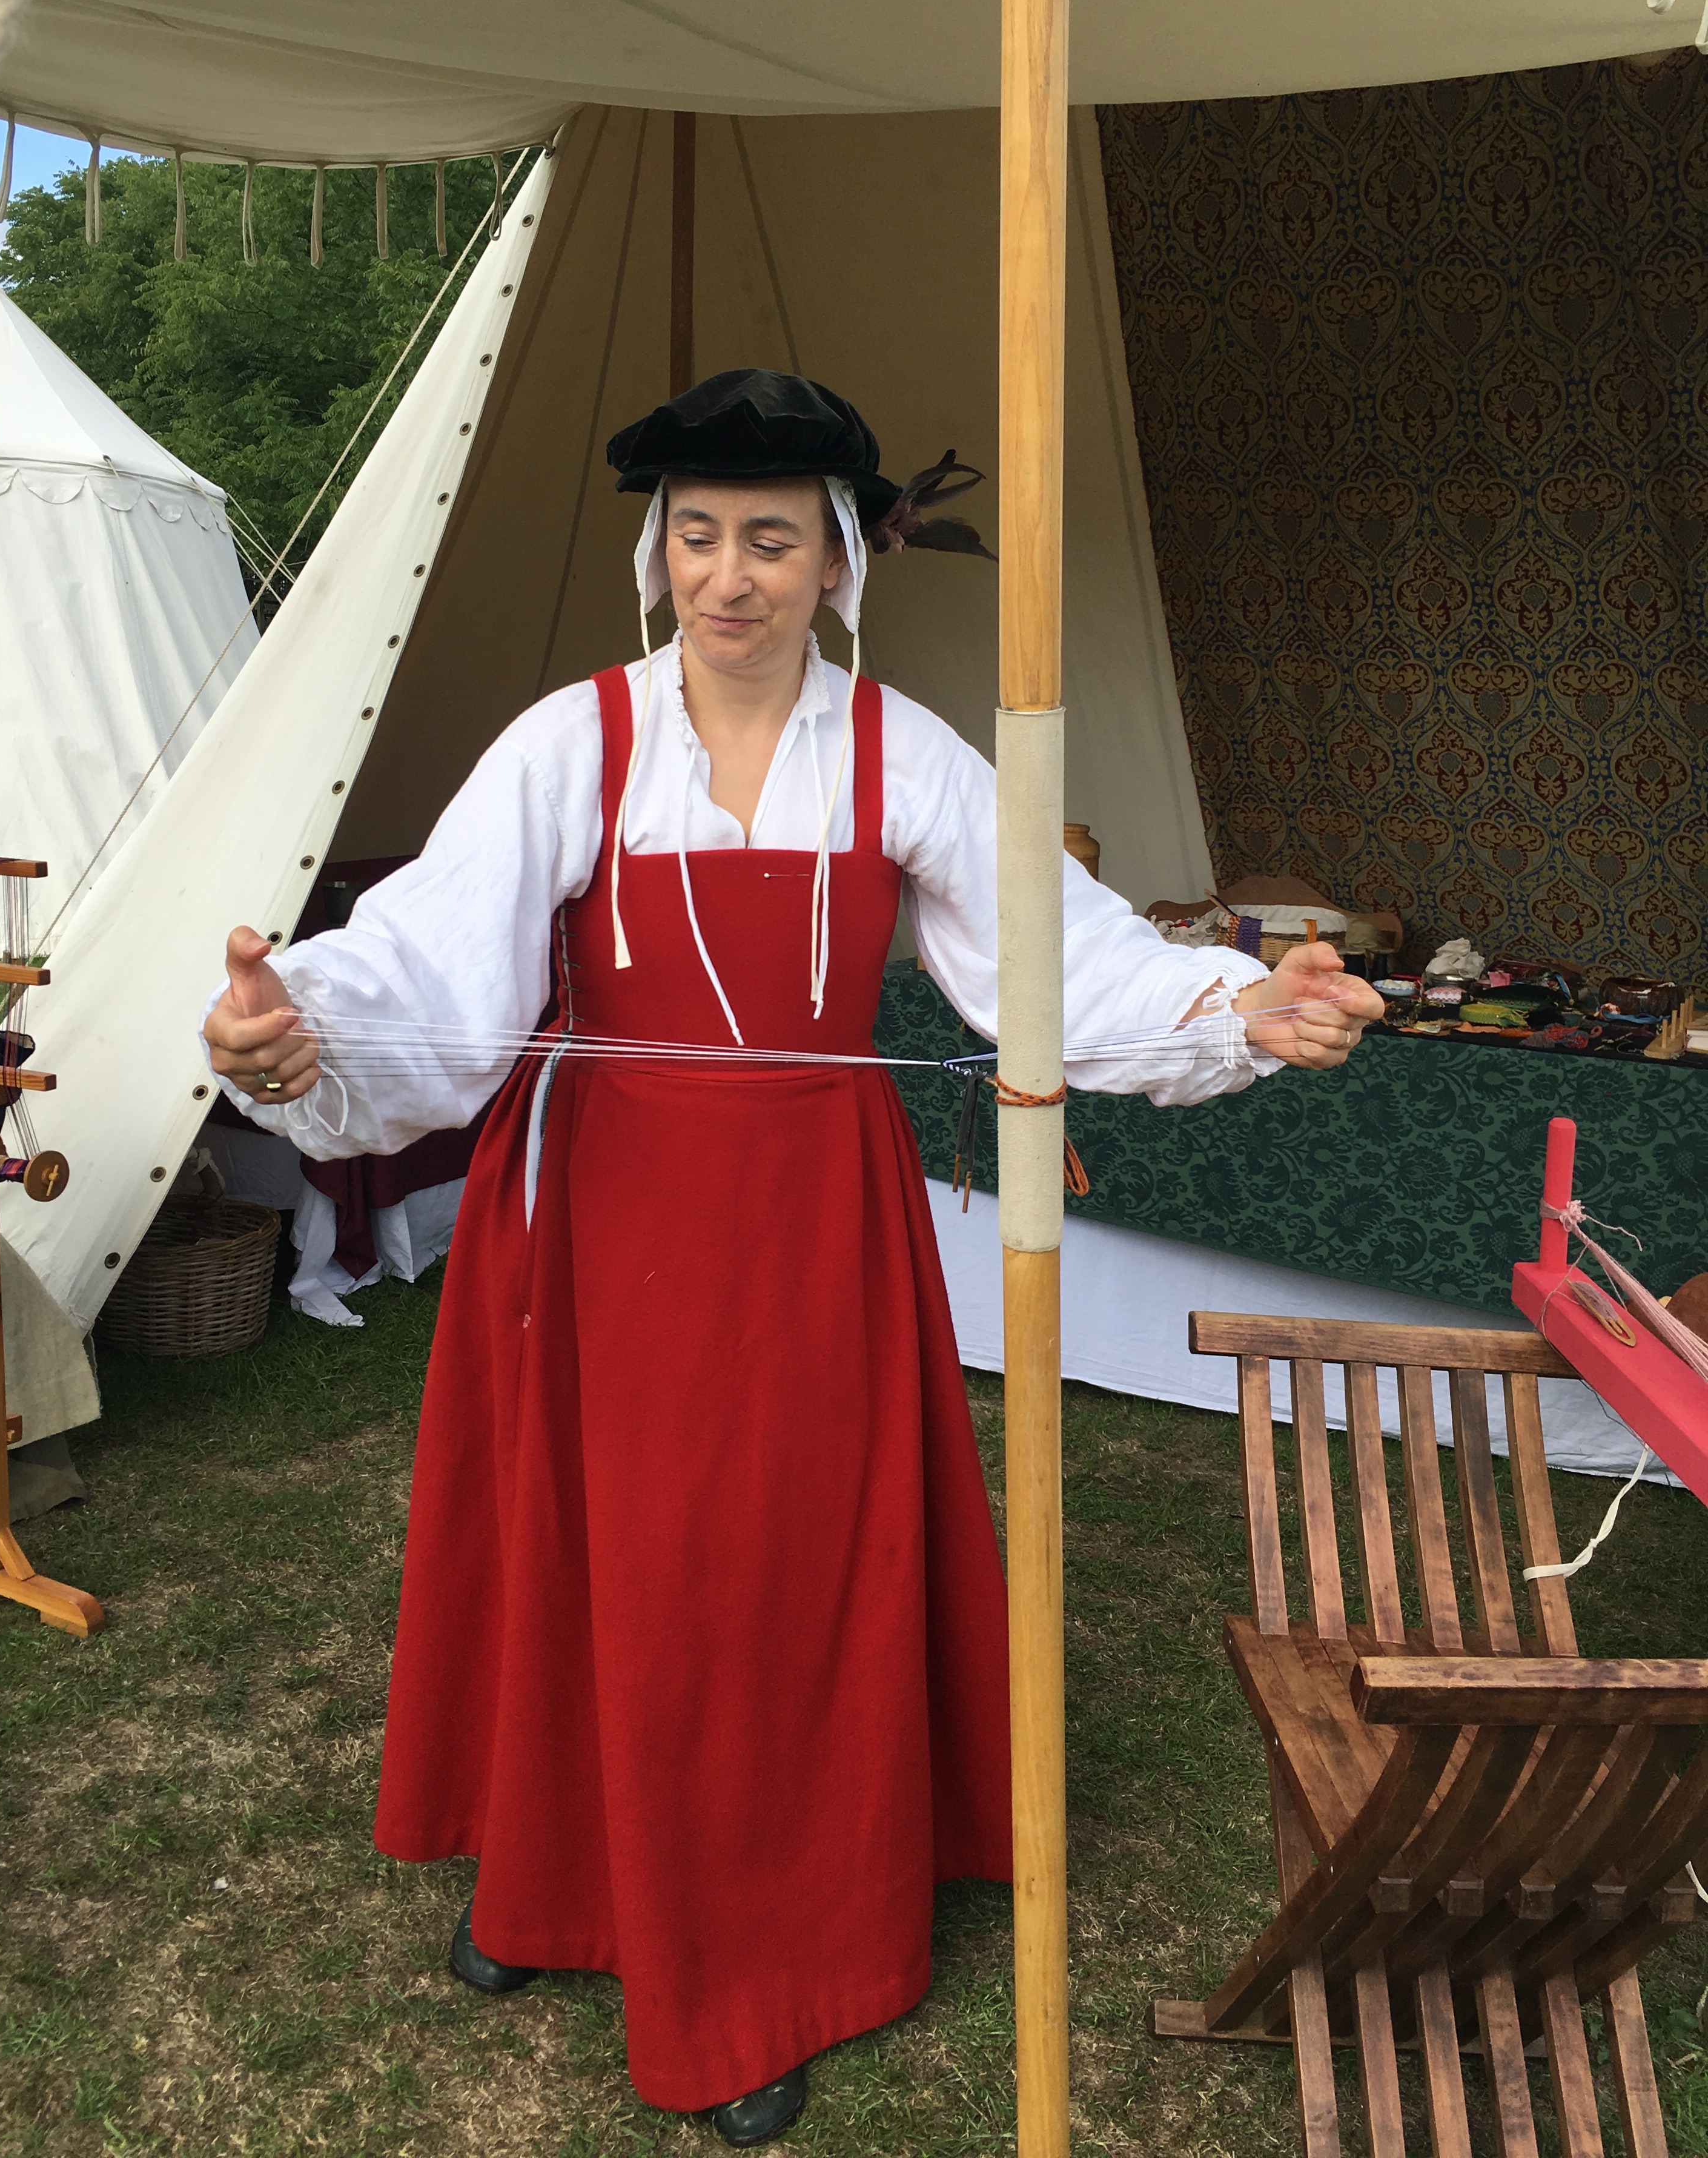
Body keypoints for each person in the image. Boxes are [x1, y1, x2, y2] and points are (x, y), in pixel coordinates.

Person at [204, 369, 1380, 2146]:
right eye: (698, 533)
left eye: (771, 537)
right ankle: (558, 1879)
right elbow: (431, 965)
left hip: (808, 1227)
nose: (728, 573)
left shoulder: (908, 753)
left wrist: (1239, 1007)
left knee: (765, 1568)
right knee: (597, 1541)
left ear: (838, 560)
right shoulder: (569, 742)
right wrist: (303, 1035)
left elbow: (1064, 967)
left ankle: (769, 1944)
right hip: (594, 1213)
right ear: (655, 549)